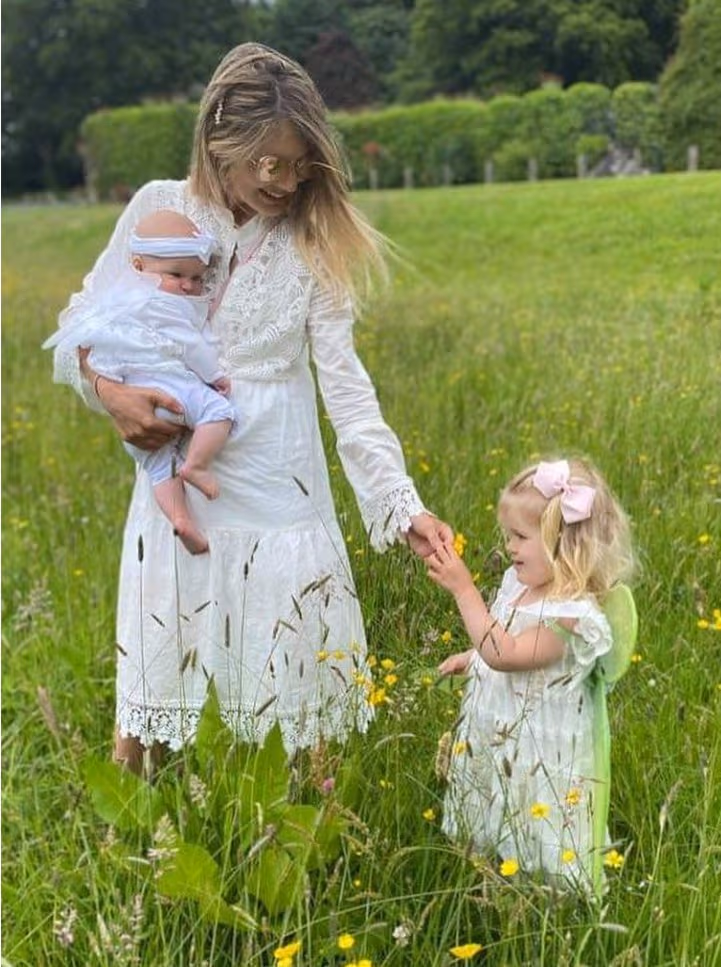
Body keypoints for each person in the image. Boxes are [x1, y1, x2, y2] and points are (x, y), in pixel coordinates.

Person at [50, 42, 452, 773]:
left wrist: (402, 503)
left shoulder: (313, 237)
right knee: (158, 661)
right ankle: (128, 842)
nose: (286, 180)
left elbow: (346, 385)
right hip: (179, 477)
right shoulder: (158, 209)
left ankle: (313, 857)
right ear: (216, 143)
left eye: (300, 163)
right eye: (270, 163)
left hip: (279, 479)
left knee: (297, 678)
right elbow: (83, 324)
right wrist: (113, 396)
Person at [427, 458, 635, 891]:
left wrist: (465, 590)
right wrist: (474, 656)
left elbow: (507, 653)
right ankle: (495, 875)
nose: (509, 547)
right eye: (508, 535)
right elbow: (505, 640)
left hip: (538, 748)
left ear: (564, 545)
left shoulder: (570, 615)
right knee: (500, 801)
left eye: (521, 537)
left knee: (535, 813)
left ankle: (546, 900)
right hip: (503, 737)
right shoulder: (518, 586)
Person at [45, 210, 235, 555]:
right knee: (218, 412)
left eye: (196, 277)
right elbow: (190, 345)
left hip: (137, 408)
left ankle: (181, 520)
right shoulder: (164, 304)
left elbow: (90, 352)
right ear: (138, 267)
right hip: (173, 392)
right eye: (177, 274)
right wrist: (215, 376)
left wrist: (110, 390)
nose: (189, 286)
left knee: (159, 466)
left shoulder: (113, 307)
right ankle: (197, 464)